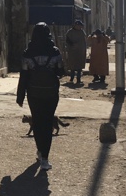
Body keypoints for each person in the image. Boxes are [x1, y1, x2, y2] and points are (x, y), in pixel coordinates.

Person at [16, 23, 66, 171]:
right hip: (51, 93)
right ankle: (45, 157)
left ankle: (39, 149)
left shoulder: (28, 53)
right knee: (47, 122)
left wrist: (20, 96)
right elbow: (61, 72)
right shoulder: (54, 51)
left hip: (34, 93)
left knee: (37, 123)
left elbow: (23, 76)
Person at [64, 20, 87, 85]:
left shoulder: (82, 32)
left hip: (80, 52)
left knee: (79, 66)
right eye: (79, 26)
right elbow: (67, 40)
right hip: (72, 52)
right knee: (72, 66)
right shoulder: (70, 32)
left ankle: (78, 79)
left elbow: (84, 41)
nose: (80, 27)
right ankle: (71, 79)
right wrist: (72, 44)